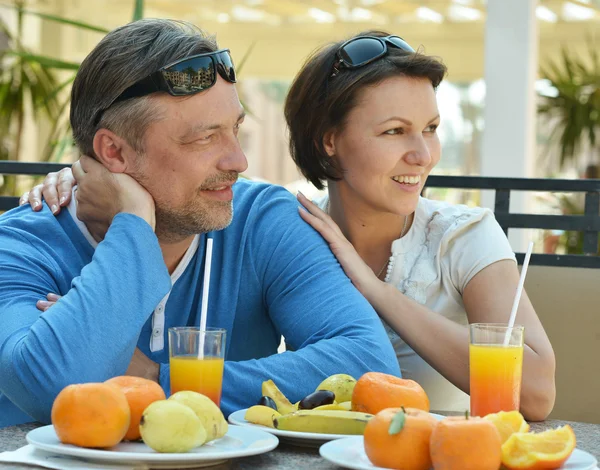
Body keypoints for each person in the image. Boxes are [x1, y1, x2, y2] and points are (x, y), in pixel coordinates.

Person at [0, 20, 401, 428]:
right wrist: (134, 222)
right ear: (114, 152)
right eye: (205, 138)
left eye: (235, 129)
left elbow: (369, 365)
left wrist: (157, 380)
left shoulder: (261, 221)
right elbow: (50, 387)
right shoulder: (22, 245)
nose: (238, 162)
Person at [284, 32, 556, 420]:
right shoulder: (292, 234)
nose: (423, 155)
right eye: (394, 131)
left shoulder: (464, 236)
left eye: (430, 128)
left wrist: (377, 291)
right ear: (329, 140)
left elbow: (537, 394)